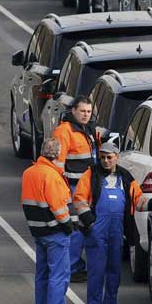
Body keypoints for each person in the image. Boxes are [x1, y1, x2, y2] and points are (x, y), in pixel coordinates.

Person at [73, 141, 152, 304]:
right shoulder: (91, 174)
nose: (106, 161)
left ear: (117, 157)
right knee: (96, 268)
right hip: (96, 229)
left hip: (117, 229)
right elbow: (79, 198)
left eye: (109, 157)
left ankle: (111, 303)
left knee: (114, 268)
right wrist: (89, 221)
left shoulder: (125, 176)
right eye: (102, 157)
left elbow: (138, 200)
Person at [22, 138, 77, 304]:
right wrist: (69, 225)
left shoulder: (29, 173)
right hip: (55, 233)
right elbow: (59, 207)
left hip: (38, 231)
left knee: (42, 275)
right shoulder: (52, 176)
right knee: (59, 275)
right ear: (58, 155)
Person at [53, 96, 98, 283]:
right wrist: (63, 192)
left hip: (85, 187)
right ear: (73, 111)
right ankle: (72, 267)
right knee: (77, 227)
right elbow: (58, 165)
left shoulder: (86, 129)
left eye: (88, 111)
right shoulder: (65, 131)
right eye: (82, 111)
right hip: (72, 187)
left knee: (83, 226)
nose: (86, 115)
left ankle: (75, 265)